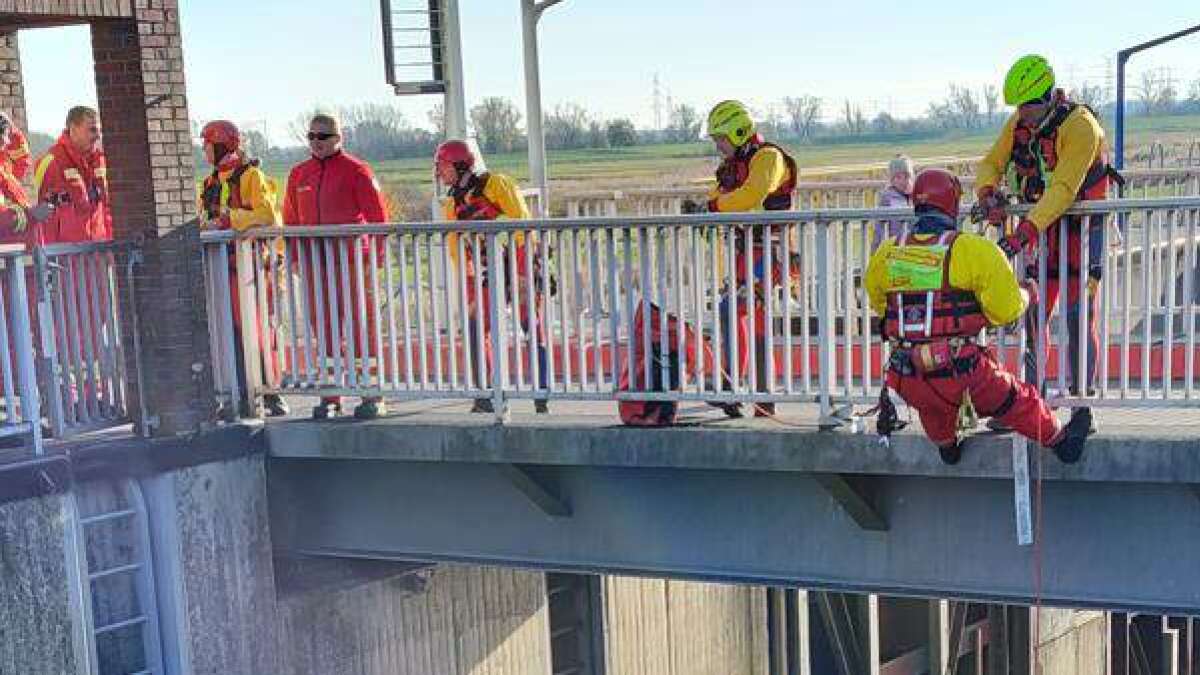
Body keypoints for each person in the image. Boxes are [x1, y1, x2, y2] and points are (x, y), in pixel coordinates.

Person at [865, 168, 1092, 465]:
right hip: (962, 371)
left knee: (933, 408)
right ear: (952, 204)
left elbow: (881, 305)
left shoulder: (887, 252)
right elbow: (1006, 310)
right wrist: (1027, 293)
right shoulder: (973, 250)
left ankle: (947, 447)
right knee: (1016, 398)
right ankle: (1062, 442)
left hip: (906, 374)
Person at [975, 55, 1118, 431]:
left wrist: (1022, 233)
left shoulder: (1081, 127)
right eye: (1018, 107)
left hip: (1082, 233)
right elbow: (990, 162)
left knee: (1077, 317)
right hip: (1043, 233)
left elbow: (1064, 189)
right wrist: (987, 193)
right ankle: (1028, 407)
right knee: (1034, 317)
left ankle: (1082, 409)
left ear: (1047, 97)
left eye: (1027, 107)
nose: (1022, 115)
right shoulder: (1020, 121)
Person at [282, 113, 389, 420]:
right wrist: (294, 258)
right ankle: (331, 396)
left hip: (353, 261)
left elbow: (379, 219)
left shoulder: (357, 171)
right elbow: (290, 221)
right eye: (311, 136)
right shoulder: (298, 174)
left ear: (338, 138)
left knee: (360, 328)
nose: (316, 142)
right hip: (316, 265)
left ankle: (372, 394)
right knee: (323, 329)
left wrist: (375, 261)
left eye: (323, 136)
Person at [699, 99, 799, 418]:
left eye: (721, 138)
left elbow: (751, 195)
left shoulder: (768, 157)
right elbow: (718, 195)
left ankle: (755, 396)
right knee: (735, 313)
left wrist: (716, 208)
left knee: (747, 315)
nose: (718, 145)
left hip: (773, 252)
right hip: (748, 251)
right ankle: (741, 390)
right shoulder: (732, 166)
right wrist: (716, 204)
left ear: (739, 132)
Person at [436, 139, 550, 414]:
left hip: (517, 262)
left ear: (461, 165)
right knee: (475, 327)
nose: (440, 172)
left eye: (443, 166)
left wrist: (523, 274)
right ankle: (486, 396)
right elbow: (455, 246)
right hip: (487, 271)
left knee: (529, 323)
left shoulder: (497, 185)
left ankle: (542, 393)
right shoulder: (451, 204)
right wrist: (470, 280)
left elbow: (523, 225)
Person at [198, 120, 289, 418]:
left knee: (256, 329)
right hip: (220, 267)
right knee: (227, 332)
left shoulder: (251, 176)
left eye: (207, 145)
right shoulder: (210, 183)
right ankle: (235, 394)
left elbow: (267, 216)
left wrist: (228, 219)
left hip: (249, 269)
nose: (204, 151)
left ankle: (271, 392)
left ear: (223, 145)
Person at [32, 106, 112, 244]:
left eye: (100, 131)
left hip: (101, 254)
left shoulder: (103, 162)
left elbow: (107, 209)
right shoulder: (49, 163)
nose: (98, 136)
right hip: (66, 258)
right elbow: (38, 212)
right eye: (92, 130)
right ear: (73, 129)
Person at [872, 154, 914, 251]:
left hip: (914, 248)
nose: (904, 181)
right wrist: (875, 252)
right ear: (892, 180)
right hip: (897, 248)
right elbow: (879, 229)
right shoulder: (888, 197)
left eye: (907, 176)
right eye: (898, 177)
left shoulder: (917, 196)